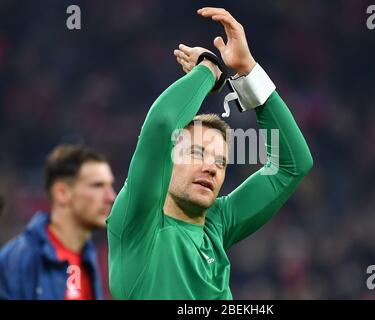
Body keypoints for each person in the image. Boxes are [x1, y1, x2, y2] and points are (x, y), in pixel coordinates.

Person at [107, 7, 313, 299]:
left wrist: (248, 70)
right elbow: (162, 123)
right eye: (196, 153)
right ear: (167, 160)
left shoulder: (216, 224)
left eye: (220, 161)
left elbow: (292, 166)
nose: (212, 167)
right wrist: (209, 70)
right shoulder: (138, 220)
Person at [0, 144, 116, 300]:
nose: (111, 197)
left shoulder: (88, 259)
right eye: (97, 185)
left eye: (110, 185)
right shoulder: (16, 262)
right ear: (62, 193)